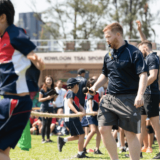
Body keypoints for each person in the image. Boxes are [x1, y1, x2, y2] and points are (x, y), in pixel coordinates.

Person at [89, 22, 148, 160]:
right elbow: (105, 75)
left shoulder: (133, 52)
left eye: (109, 36)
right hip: (110, 98)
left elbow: (143, 75)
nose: (107, 40)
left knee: (130, 133)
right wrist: (94, 87)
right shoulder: (108, 54)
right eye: (105, 37)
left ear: (118, 34)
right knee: (103, 129)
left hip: (129, 98)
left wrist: (140, 95)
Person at [0, 1, 44, 160]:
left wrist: (36, 61)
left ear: (2, 17)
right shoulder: (2, 39)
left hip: (16, 101)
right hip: (11, 100)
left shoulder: (14, 33)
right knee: (3, 150)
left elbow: (32, 56)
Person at [136, 20, 160, 159]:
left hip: (151, 94)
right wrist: (140, 30)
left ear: (145, 48)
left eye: (140, 50)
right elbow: (144, 42)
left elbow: (153, 76)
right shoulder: (148, 56)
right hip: (145, 95)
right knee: (140, 125)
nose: (139, 53)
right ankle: (137, 151)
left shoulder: (152, 58)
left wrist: (141, 87)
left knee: (155, 125)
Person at [57, 78, 88, 158]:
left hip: (72, 118)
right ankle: (80, 153)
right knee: (81, 134)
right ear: (75, 85)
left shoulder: (73, 95)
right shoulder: (70, 92)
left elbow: (78, 105)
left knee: (77, 136)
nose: (78, 87)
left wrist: (83, 110)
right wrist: (77, 112)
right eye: (78, 85)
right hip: (71, 117)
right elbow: (69, 104)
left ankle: (63, 140)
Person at [81, 78, 102, 154]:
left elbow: (98, 102)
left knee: (99, 132)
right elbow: (90, 102)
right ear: (90, 85)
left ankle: (97, 149)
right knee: (93, 131)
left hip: (96, 113)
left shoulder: (97, 93)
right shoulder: (89, 92)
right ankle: (83, 147)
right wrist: (91, 110)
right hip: (90, 114)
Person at [39, 76, 58, 143]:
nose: (49, 81)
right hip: (44, 108)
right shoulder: (42, 89)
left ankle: (48, 138)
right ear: (45, 81)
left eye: (50, 80)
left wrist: (55, 96)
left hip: (50, 108)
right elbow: (40, 99)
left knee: (49, 123)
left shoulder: (53, 89)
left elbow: (54, 100)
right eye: (47, 80)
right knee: (44, 123)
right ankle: (43, 139)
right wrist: (47, 98)